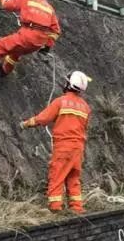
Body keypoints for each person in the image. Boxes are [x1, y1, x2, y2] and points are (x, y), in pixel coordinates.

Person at [20, 71, 91, 214]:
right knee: (73, 177)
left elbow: (43, 119)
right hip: (78, 148)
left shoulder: (61, 102)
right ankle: (77, 207)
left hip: (64, 146)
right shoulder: (85, 107)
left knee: (57, 175)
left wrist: (26, 124)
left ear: (68, 84)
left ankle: (55, 208)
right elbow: (84, 127)